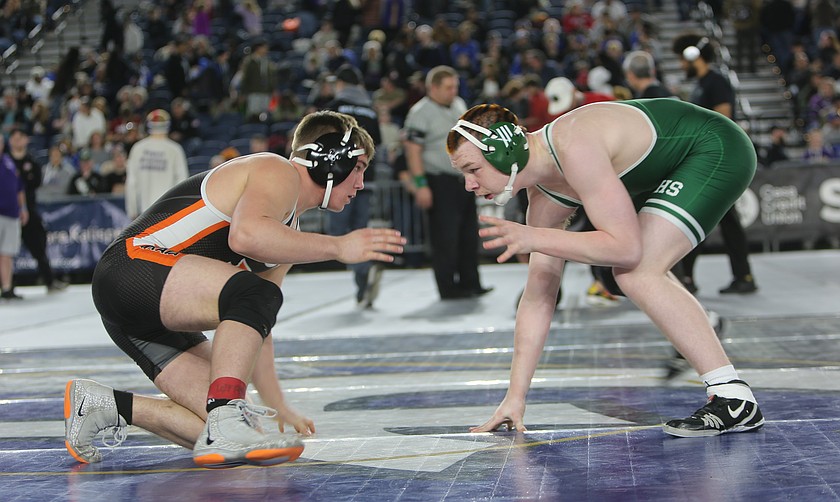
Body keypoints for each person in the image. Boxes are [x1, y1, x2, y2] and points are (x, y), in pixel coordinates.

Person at [63, 110, 406, 468]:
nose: (362, 183)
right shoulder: (276, 171)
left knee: (236, 437)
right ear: (330, 160)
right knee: (251, 310)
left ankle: (104, 405)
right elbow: (245, 237)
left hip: (145, 312)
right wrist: (338, 247)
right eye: (360, 166)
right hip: (130, 271)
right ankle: (226, 413)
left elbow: (259, 327)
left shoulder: (287, 231)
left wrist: (279, 406)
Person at [446, 98, 764, 437]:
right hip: (660, 167)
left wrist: (535, 238)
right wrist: (515, 397)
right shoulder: (543, 199)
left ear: (502, 152)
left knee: (636, 271)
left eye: (472, 169)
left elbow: (624, 249)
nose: (469, 185)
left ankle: (734, 398)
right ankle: (698, 323)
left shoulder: (574, 146)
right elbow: (538, 298)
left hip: (712, 146)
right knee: (630, 272)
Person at [671, 34, 758, 295]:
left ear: (693, 57)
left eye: (681, 60)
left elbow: (724, 120)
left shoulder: (716, 82)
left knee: (700, 216)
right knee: (720, 220)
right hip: (712, 158)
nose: (680, 65)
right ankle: (738, 276)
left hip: (719, 160)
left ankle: (689, 277)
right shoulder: (703, 83)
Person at [404, 65, 491, 300]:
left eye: (455, 86)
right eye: (449, 87)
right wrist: (420, 184)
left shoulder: (459, 104)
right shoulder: (420, 112)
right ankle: (448, 287)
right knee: (445, 236)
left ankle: (471, 282)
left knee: (468, 233)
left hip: (461, 179)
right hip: (437, 180)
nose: (454, 91)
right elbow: (412, 150)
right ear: (433, 87)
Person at [324, 64, 384, 308]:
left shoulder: (336, 108)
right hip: (365, 180)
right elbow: (376, 143)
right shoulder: (370, 109)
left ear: (340, 84)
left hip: (339, 180)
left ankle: (364, 269)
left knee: (338, 234)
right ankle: (364, 280)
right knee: (359, 230)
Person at [8, 128, 68, 292]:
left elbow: (35, 182)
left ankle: (49, 280)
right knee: (6, 251)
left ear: (26, 140)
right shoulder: (5, 162)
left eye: (20, 137)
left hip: (29, 211)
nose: (17, 140)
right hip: (8, 212)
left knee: (38, 246)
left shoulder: (32, 162)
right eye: (14, 137)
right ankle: (7, 286)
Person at [124, 109, 189, 219]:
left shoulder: (138, 148)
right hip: (168, 212)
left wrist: (132, 210)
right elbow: (182, 182)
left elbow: (131, 183)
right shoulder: (175, 149)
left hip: (143, 213)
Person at [0, 134, 27, 300]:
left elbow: (19, 187)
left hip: (12, 214)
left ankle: (7, 287)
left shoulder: (9, 163)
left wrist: (23, 208)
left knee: (7, 253)